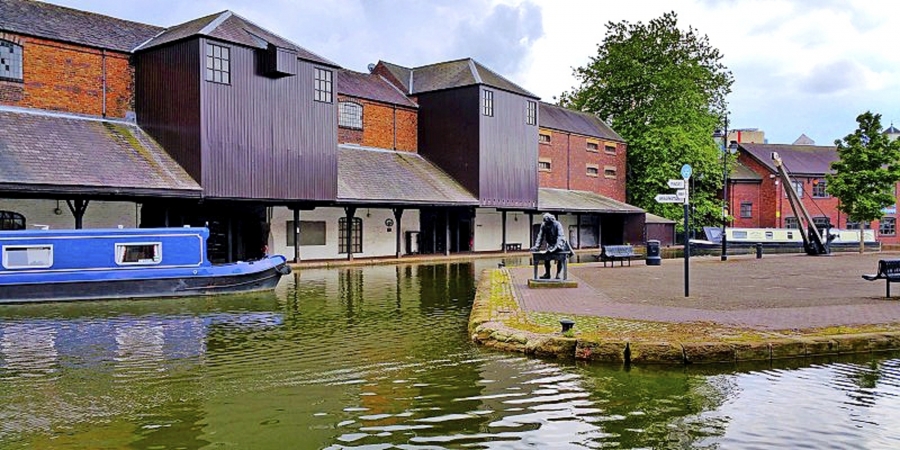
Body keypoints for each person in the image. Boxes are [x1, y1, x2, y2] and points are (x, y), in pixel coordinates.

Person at [530, 213, 572, 279]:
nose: (547, 225)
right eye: (546, 223)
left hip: (560, 244)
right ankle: (547, 274)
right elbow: (540, 236)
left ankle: (558, 274)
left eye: (548, 224)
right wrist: (536, 246)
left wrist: (556, 247)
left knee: (560, 259)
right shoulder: (544, 225)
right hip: (551, 244)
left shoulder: (557, 224)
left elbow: (560, 237)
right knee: (546, 258)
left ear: (551, 221)